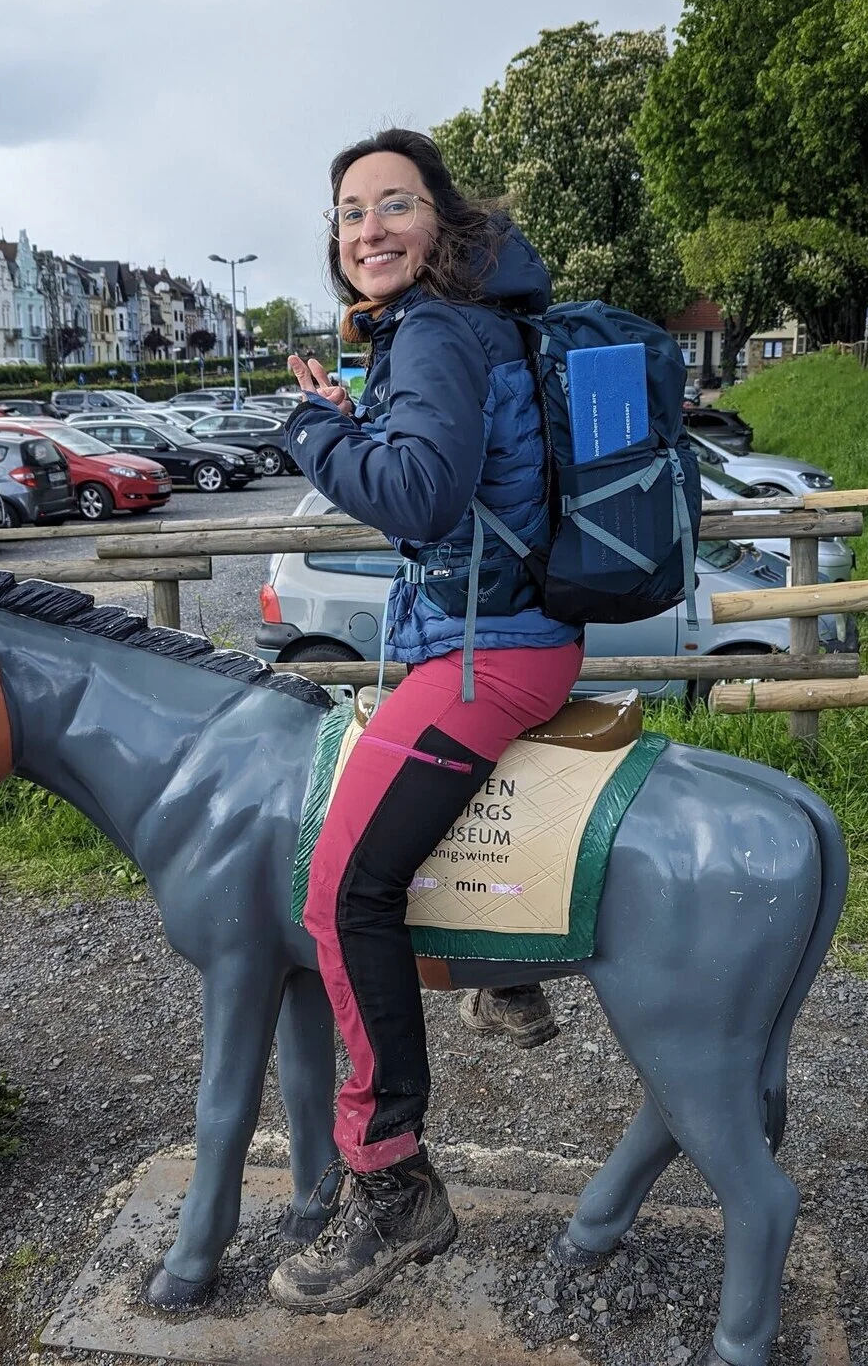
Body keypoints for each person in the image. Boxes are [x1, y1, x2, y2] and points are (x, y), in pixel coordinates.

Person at [268, 129, 583, 1313]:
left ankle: (393, 1181)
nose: (370, 229)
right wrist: (351, 412)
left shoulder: (440, 330)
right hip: (504, 635)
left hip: (487, 655)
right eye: (351, 212)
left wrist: (311, 434)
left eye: (395, 204)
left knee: (340, 892)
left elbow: (420, 493)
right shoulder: (469, 319)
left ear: (441, 219)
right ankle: (506, 968)